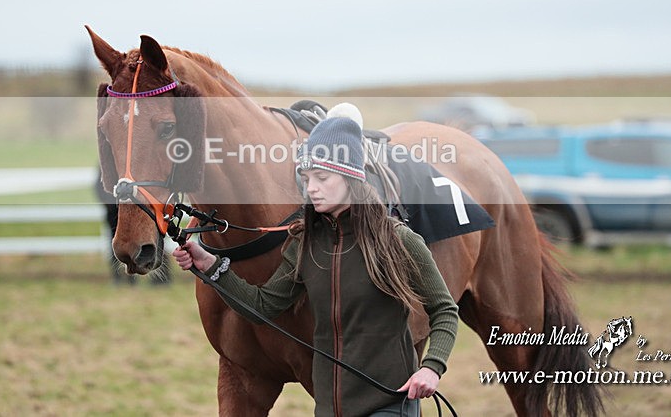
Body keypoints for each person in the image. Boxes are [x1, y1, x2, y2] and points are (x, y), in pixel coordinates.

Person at [174, 109, 459, 417]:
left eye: (322, 178)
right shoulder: (304, 244)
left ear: (350, 177)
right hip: (329, 410)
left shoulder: (399, 240)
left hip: (389, 406)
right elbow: (264, 306)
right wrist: (211, 267)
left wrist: (432, 367)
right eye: (307, 179)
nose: (311, 188)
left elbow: (444, 311)